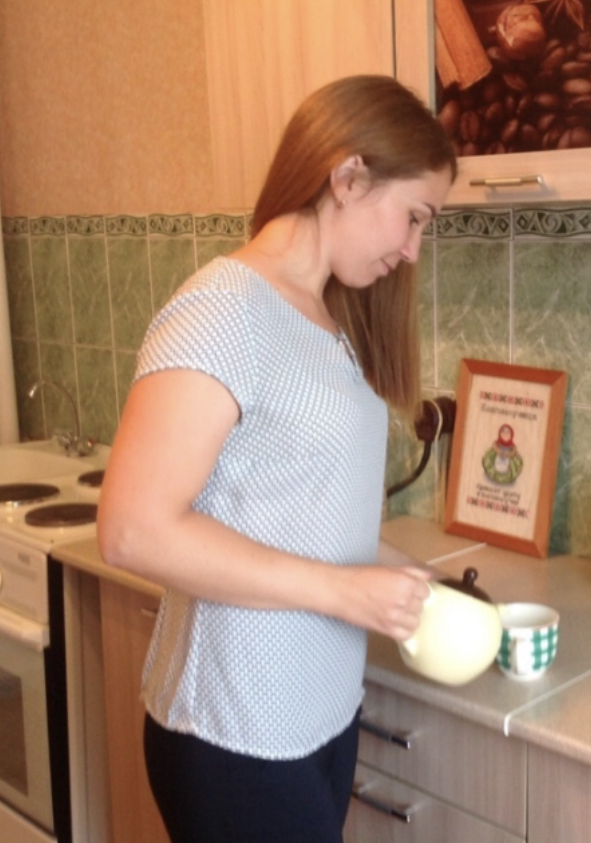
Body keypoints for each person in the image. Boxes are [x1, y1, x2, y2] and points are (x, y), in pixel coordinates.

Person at [96, 75, 457, 843]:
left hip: (316, 714)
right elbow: (132, 530)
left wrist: (414, 583)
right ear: (348, 176)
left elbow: (304, 510)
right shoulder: (224, 310)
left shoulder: (325, 317)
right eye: (414, 217)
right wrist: (344, 592)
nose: (411, 249)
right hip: (234, 732)